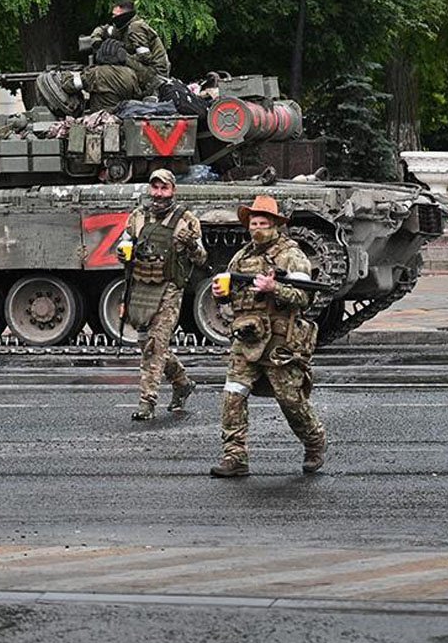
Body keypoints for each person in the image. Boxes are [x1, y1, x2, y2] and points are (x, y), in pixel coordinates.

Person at [209, 195, 325, 478]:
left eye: (262, 222)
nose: (256, 228)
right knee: (233, 394)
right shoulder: (242, 257)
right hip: (247, 337)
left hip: (280, 340)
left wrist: (276, 288)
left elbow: (305, 298)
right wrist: (221, 295)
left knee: (290, 400)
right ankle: (234, 456)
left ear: (275, 226)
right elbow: (233, 295)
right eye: (253, 222)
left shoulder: (291, 255)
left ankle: (314, 441)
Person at [118, 169, 205, 421]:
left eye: (164, 188)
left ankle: (147, 402)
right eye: (154, 188)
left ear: (173, 190)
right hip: (141, 287)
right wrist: (122, 251)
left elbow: (202, 258)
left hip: (169, 289)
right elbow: (124, 244)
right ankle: (182, 382)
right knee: (147, 343)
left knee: (155, 345)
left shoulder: (186, 220)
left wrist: (190, 244)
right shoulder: (138, 217)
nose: (158, 194)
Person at [68, 38, 157, 112]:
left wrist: (66, 76)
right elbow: (137, 95)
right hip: (123, 117)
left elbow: (71, 84)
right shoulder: (130, 73)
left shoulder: (95, 72)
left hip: (99, 118)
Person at [91, 0, 170, 79]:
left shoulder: (136, 28)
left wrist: (122, 54)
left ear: (124, 15)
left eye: (115, 15)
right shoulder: (122, 27)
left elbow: (145, 57)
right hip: (144, 68)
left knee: (115, 55)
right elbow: (102, 29)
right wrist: (97, 41)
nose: (113, 18)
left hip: (155, 73)